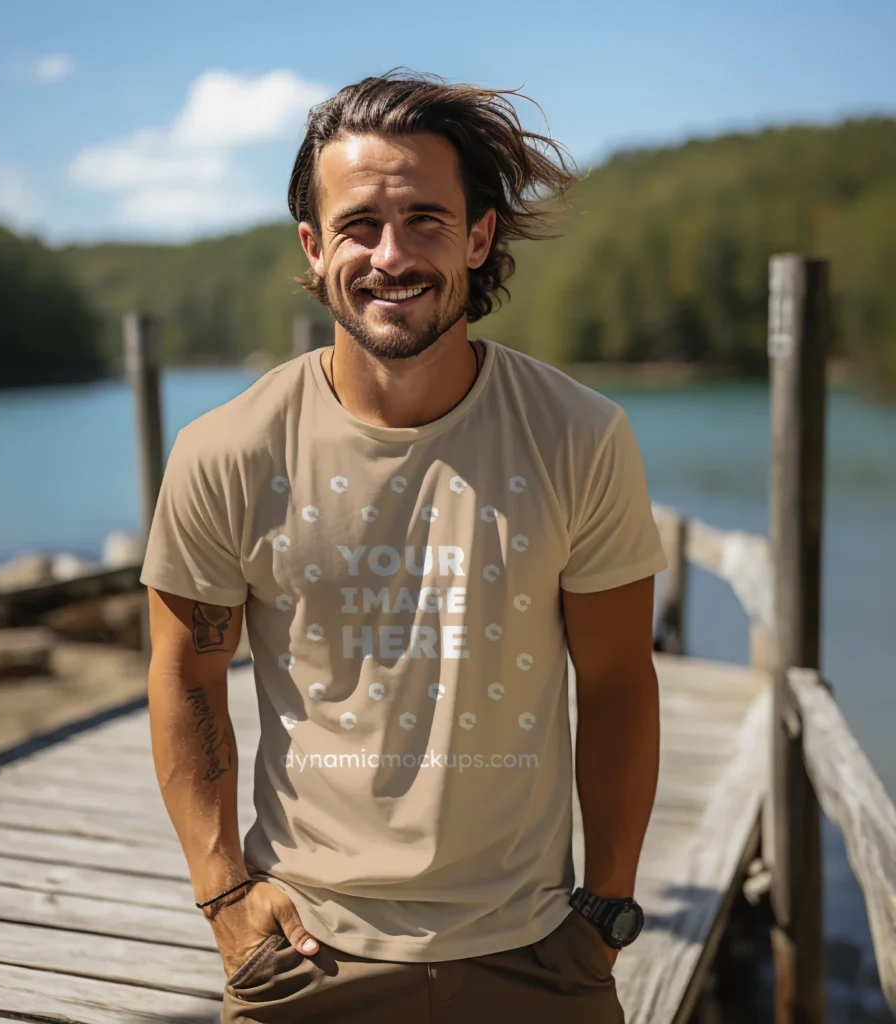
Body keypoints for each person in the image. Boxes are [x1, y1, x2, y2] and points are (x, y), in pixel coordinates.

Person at [140, 69, 667, 1023]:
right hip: (305, 954)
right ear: (313, 247)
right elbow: (184, 672)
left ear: (478, 235)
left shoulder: (578, 436)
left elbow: (621, 678)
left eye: (427, 219)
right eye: (359, 226)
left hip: (537, 952)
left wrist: (607, 910)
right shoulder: (227, 452)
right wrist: (223, 896)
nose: (392, 255)